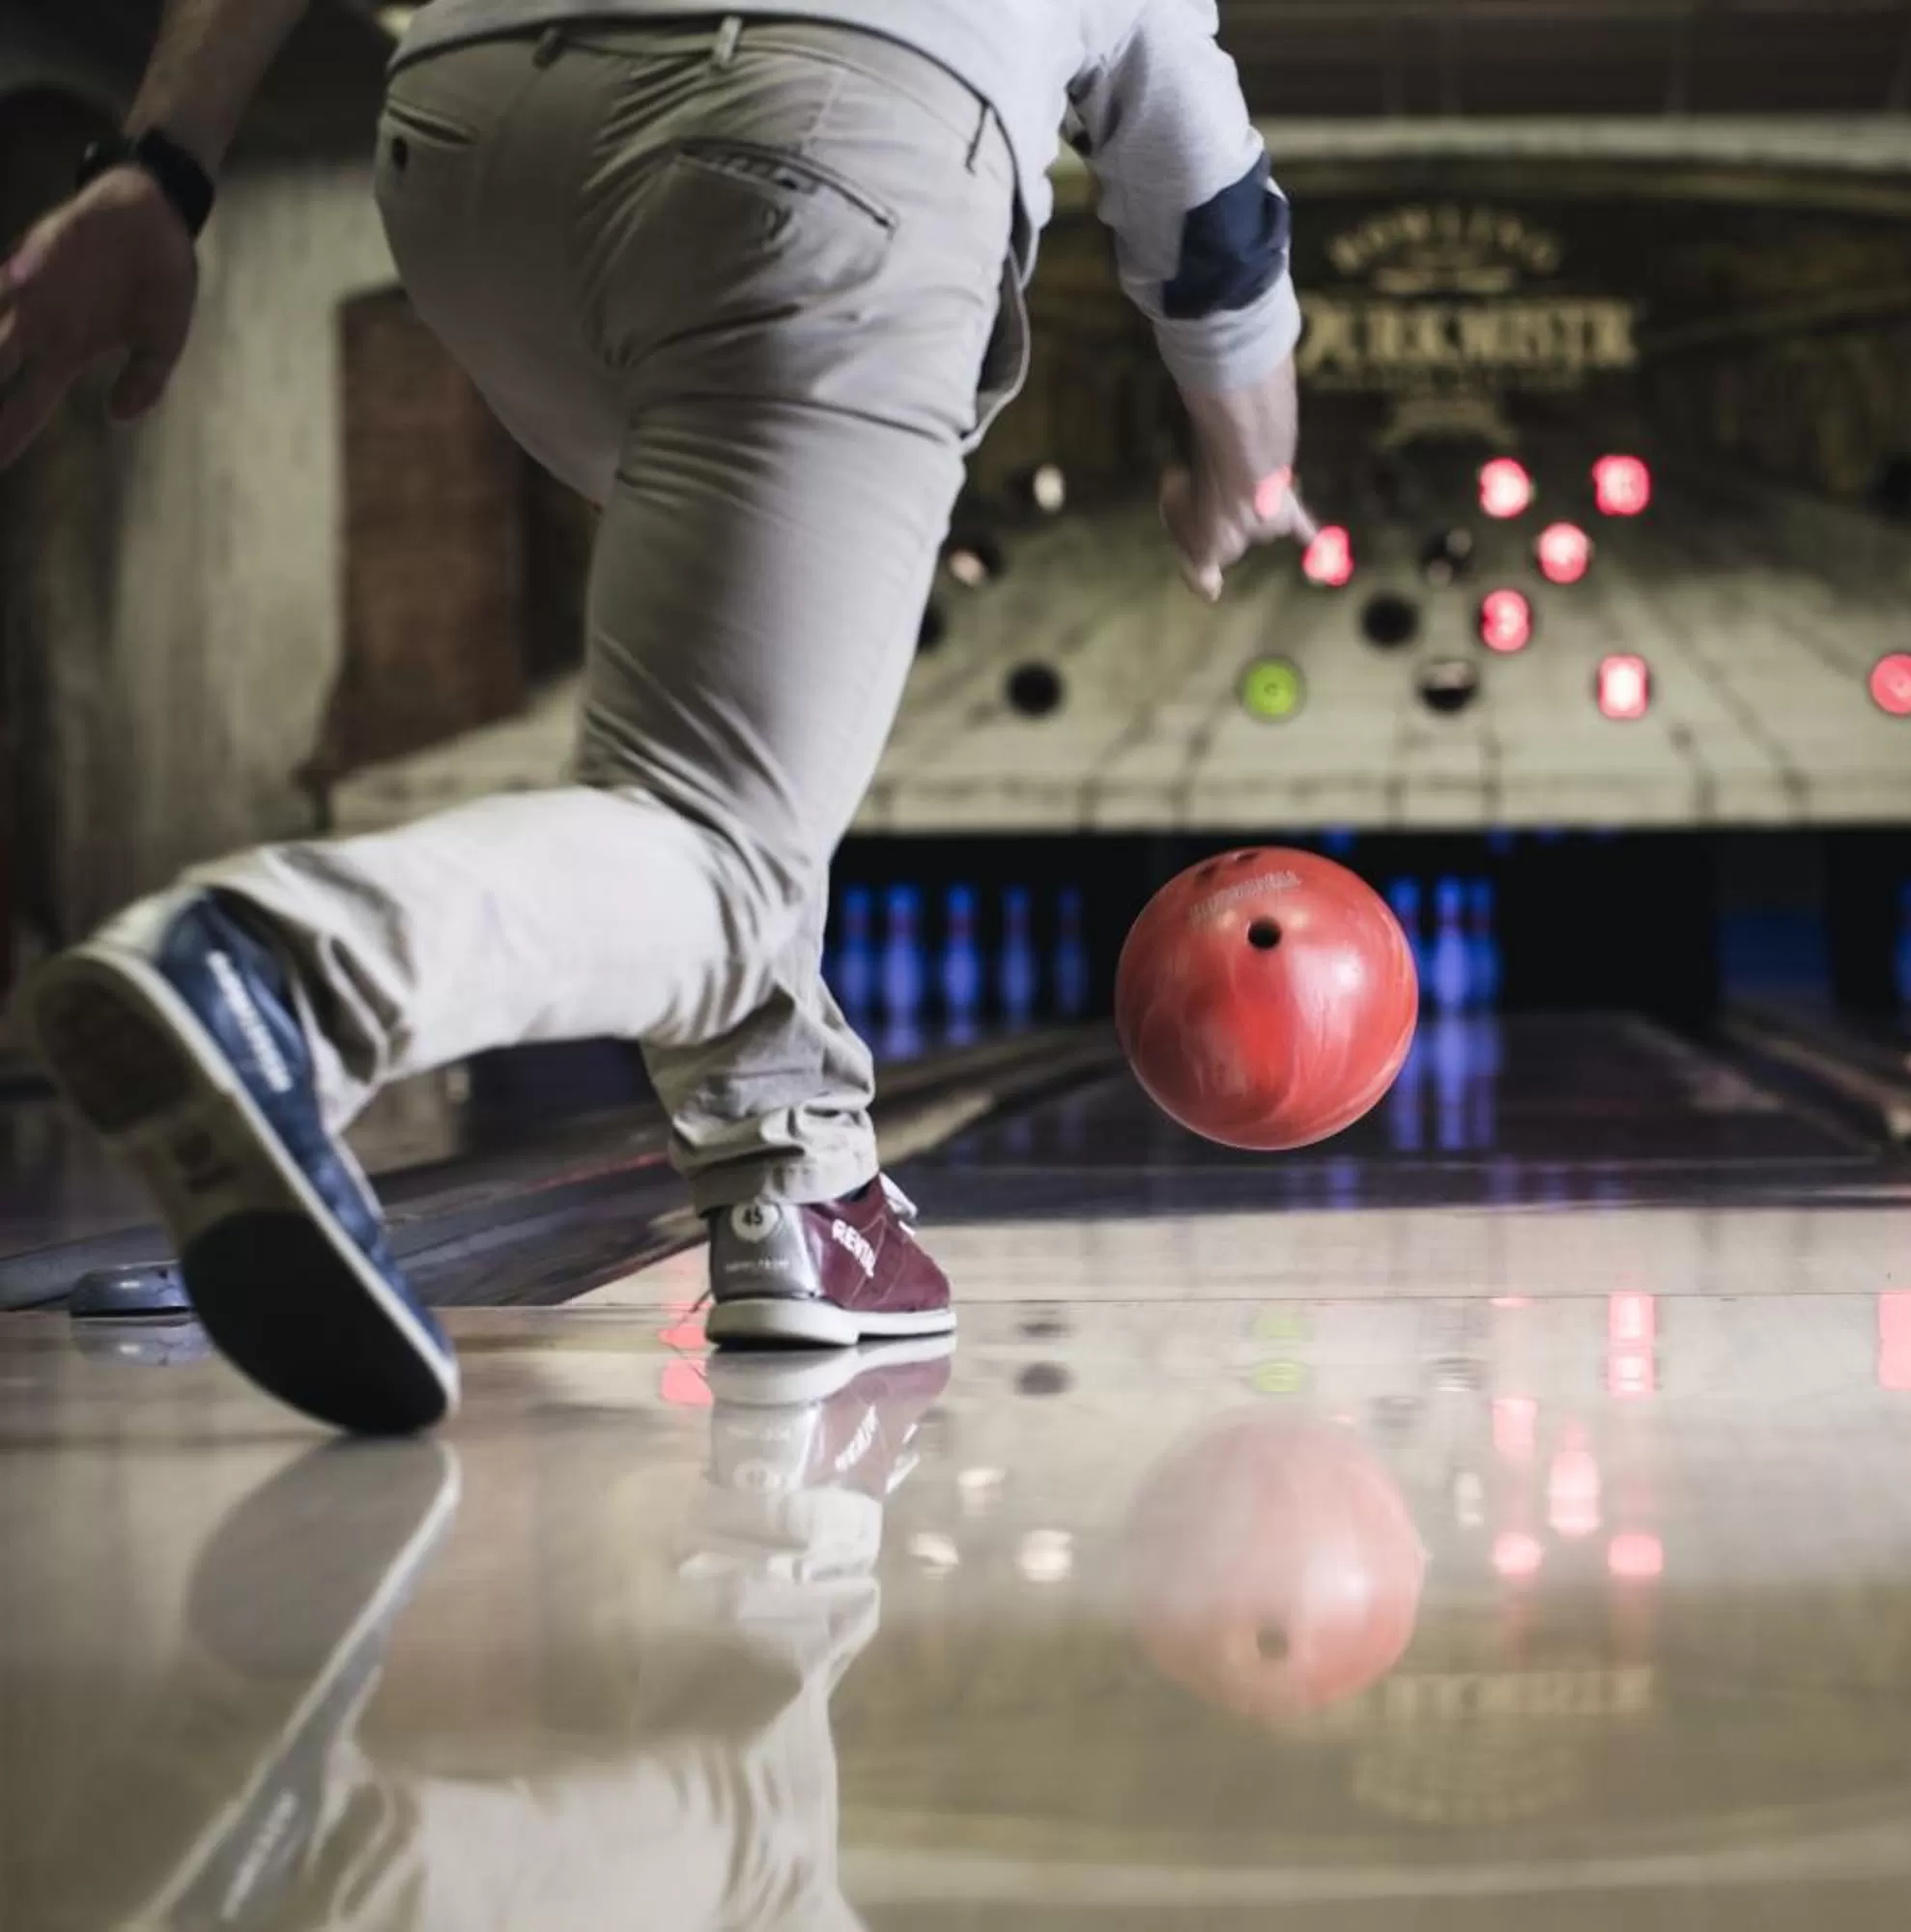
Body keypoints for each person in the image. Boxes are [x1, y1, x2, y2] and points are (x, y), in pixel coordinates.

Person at [0, 0, 1315, 1435]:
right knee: (717, 843)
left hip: (468, 147)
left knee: (723, 715)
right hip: (824, 130)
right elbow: (1199, 180)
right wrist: (1246, 462)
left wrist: (162, 166)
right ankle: (280, 973)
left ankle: (792, 1185)